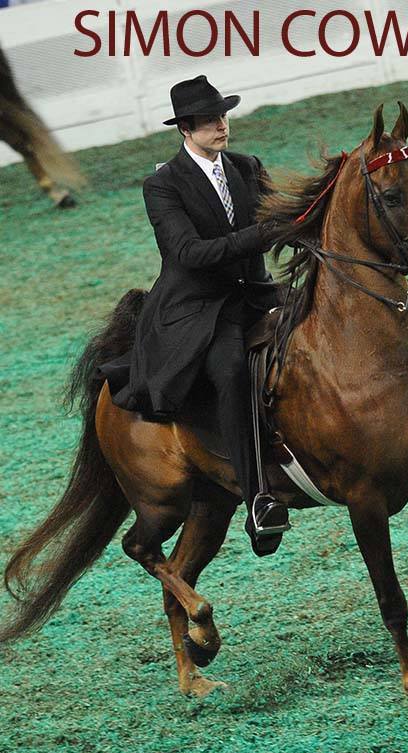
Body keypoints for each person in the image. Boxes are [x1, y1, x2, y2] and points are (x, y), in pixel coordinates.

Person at [101, 75, 289, 552]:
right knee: (229, 369)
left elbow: (279, 219)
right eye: (209, 121)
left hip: (254, 293)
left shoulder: (247, 166)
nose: (221, 126)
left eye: (222, 116)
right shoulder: (162, 185)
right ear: (185, 129)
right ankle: (258, 499)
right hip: (198, 308)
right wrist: (260, 235)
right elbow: (188, 253)